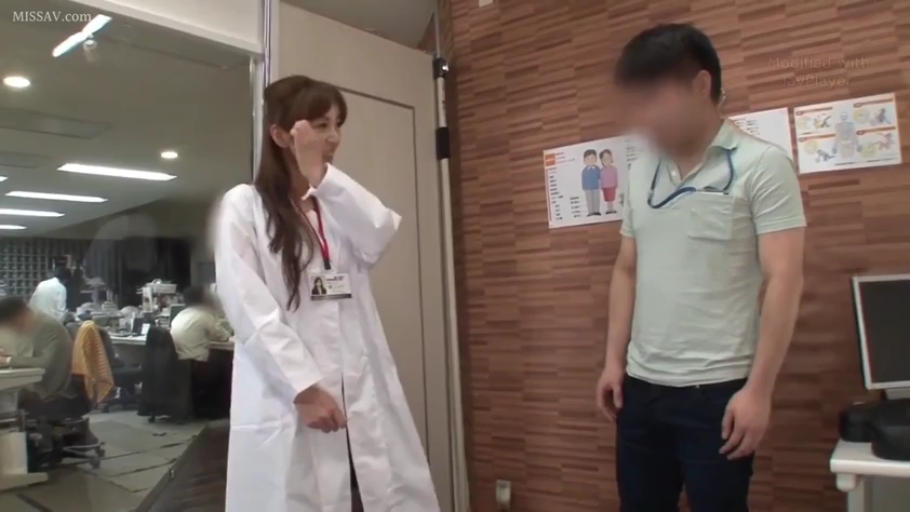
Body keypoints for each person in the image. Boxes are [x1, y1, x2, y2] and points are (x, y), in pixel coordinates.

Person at [595, 24, 805, 512]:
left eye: (653, 97)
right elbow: (626, 268)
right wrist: (612, 360)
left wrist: (759, 391)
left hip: (717, 394)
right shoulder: (642, 170)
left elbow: (785, 278)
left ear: (700, 85)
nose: (642, 116)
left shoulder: (762, 165)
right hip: (640, 390)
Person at [214, 75, 439, 512]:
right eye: (320, 125)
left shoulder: (334, 204)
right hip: (293, 400)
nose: (334, 137)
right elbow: (249, 309)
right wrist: (303, 388)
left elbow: (378, 234)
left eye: (338, 124)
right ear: (281, 134)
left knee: (379, 492)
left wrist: (321, 176)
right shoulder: (245, 206)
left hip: (358, 393)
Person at [0, 297, 76, 408]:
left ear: (19, 315)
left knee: (4, 396)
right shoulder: (32, 324)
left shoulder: (48, 326)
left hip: (45, 386)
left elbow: (45, 364)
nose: (14, 329)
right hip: (32, 380)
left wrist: (6, 360)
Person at [170, 285, 231, 363]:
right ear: (204, 300)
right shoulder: (204, 315)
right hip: (196, 362)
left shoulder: (180, 315)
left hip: (180, 362)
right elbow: (223, 337)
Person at [580, 149, 602, 215]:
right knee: (589, 200)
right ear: (584, 160)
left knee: (596, 199)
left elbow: (600, 177)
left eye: (592, 158)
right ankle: (590, 212)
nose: (590, 160)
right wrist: (583, 187)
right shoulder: (584, 171)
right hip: (588, 188)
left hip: (596, 187)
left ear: (596, 159)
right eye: (588, 158)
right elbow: (583, 179)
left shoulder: (597, 168)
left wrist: (601, 185)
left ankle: (596, 211)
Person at [599, 149, 619, 214]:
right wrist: (601, 186)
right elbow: (601, 179)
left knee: (611, 198)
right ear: (602, 161)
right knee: (608, 199)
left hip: (612, 186)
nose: (607, 161)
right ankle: (609, 209)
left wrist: (616, 184)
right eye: (604, 159)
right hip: (605, 187)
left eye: (608, 158)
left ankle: (611, 209)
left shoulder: (614, 169)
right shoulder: (601, 170)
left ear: (611, 158)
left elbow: (616, 177)